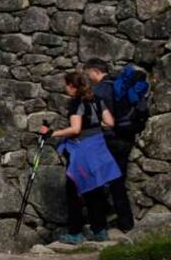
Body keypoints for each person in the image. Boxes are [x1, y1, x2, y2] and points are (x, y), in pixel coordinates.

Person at [41, 71, 120, 244]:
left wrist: (52, 133)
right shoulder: (97, 99)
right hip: (97, 149)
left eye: (66, 84)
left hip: (81, 152)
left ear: (72, 86)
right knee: (95, 189)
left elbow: (75, 129)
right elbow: (110, 122)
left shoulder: (76, 102)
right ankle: (100, 230)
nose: (65, 87)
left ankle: (75, 233)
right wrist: (93, 126)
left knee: (74, 190)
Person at [85, 58, 136, 233]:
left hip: (108, 139)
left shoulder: (98, 90)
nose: (88, 77)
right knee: (118, 182)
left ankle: (101, 224)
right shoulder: (120, 85)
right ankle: (126, 223)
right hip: (127, 138)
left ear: (95, 71)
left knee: (100, 182)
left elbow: (94, 119)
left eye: (89, 73)